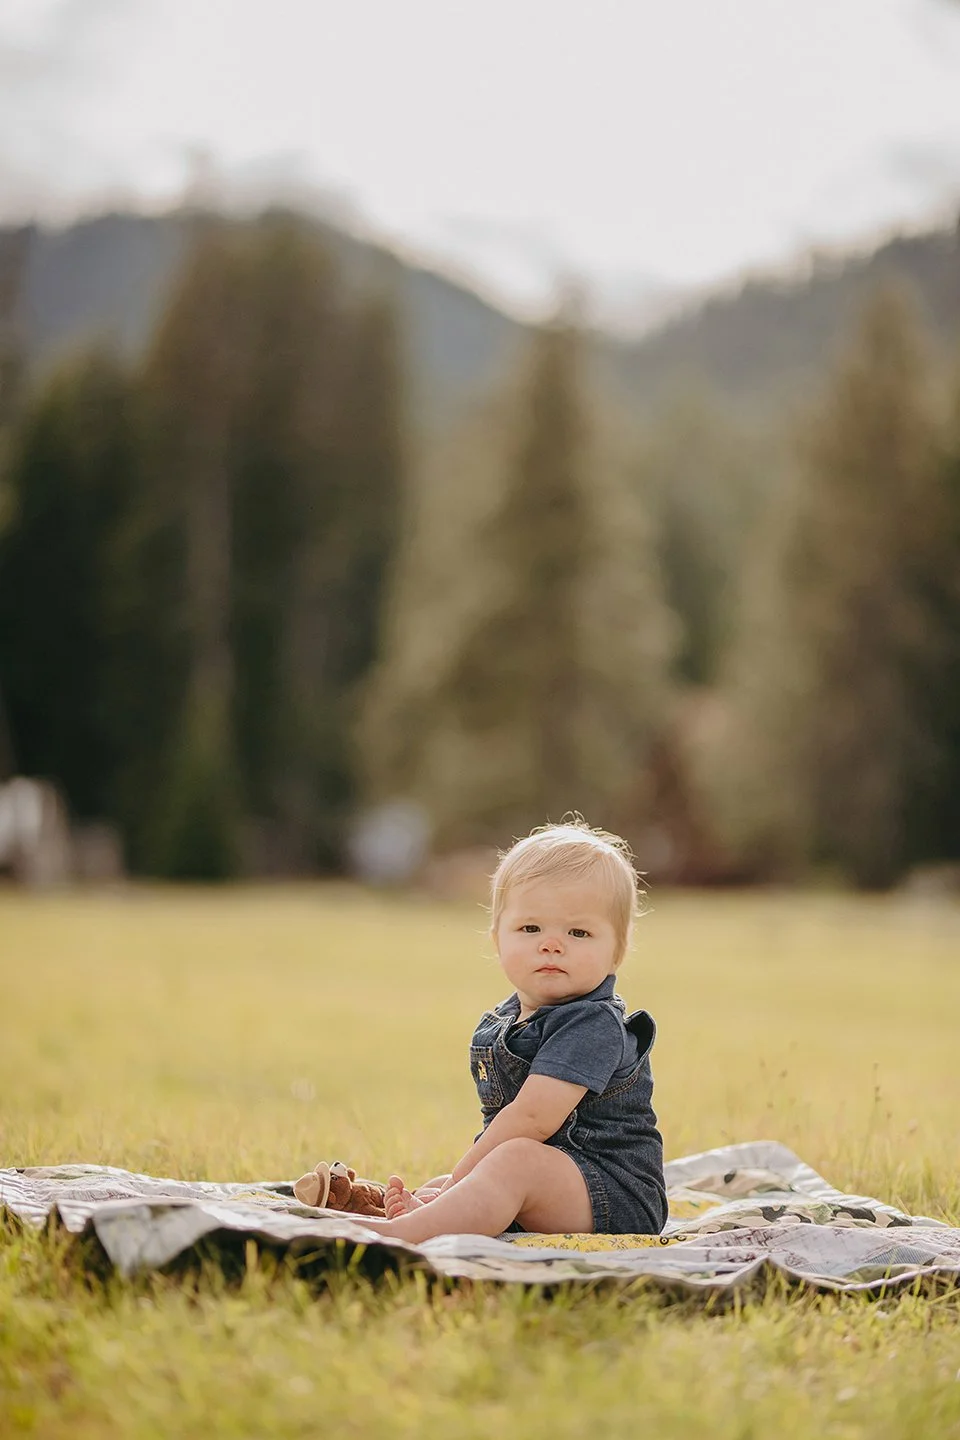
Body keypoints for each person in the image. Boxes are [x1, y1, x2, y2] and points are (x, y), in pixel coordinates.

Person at [358, 819, 666, 1242]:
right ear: (497, 938)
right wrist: (448, 1189)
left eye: (578, 932)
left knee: (508, 1164)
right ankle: (416, 1213)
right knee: (454, 1185)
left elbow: (532, 1120)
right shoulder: (506, 1021)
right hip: (554, 1181)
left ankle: (397, 1237)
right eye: (531, 928)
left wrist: (459, 1183)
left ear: (617, 951)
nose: (551, 944)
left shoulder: (593, 1024)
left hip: (615, 1195)